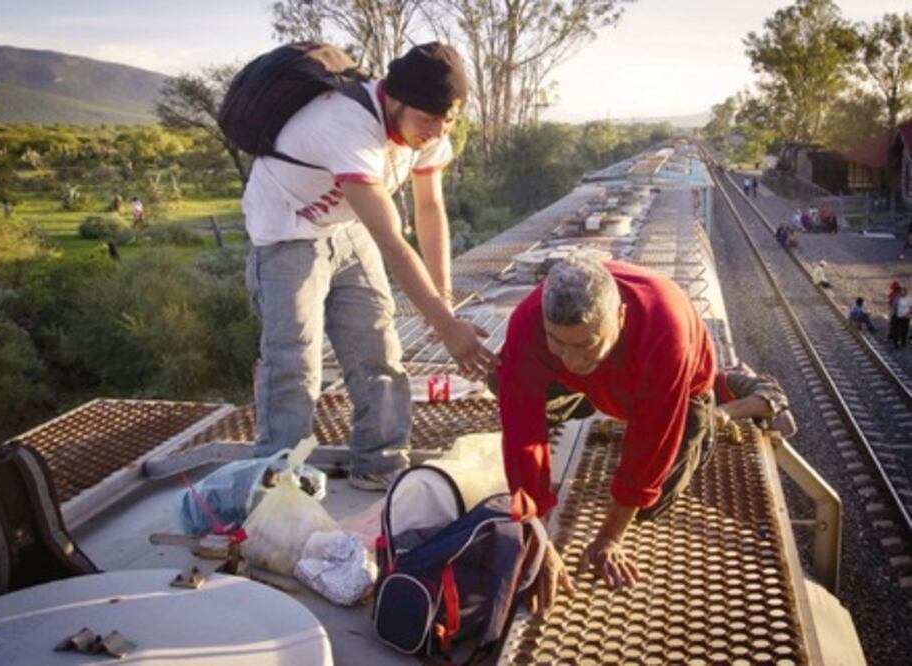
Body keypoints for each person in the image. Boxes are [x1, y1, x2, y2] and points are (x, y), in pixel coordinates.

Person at [241, 42, 494, 491]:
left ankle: (380, 464)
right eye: (428, 119)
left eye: (448, 120)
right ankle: (279, 483)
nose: (437, 131)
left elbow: (430, 210)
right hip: (286, 231)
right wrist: (447, 326)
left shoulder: (429, 128)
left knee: (378, 344)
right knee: (294, 360)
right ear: (393, 98)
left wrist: (444, 305)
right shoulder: (344, 122)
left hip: (346, 228)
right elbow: (394, 242)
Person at [495, 255, 715, 598]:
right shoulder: (528, 321)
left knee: (649, 504)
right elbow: (522, 432)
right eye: (558, 342)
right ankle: (593, 394)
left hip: (674, 389)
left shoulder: (664, 327)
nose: (570, 358)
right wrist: (537, 535)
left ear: (620, 316)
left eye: (585, 343)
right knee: (505, 377)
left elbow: (652, 442)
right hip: (596, 384)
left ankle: (720, 401)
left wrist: (610, 537)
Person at [714, 363, 796, 444]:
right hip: (721, 388)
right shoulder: (767, 406)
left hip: (727, 382)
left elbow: (775, 396)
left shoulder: (730, 380)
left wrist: (726, 412)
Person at [887, 281, 903, 345]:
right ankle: (894, 336)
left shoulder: (894, 294)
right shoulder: (900, 293)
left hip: (897, 313)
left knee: (894, 324)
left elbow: (890, 302)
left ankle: (893, 336)